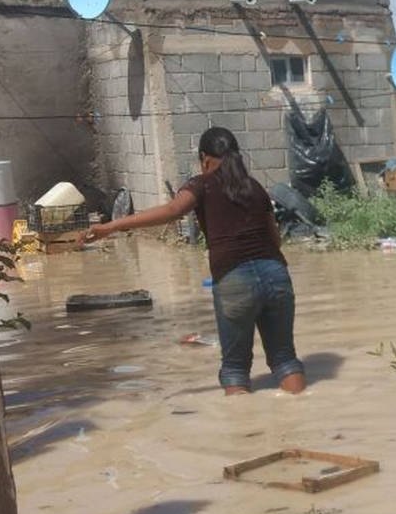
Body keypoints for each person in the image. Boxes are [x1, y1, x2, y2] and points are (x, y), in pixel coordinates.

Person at [83, 127, 306, 396]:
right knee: (284, 359)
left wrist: (112, 227)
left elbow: (171, 211)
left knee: (235, 368)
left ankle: (246, 432)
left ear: (205, 158)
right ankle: (299, 408)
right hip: (276, 275)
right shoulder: (255, 187)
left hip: (234, 280)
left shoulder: (202, 184)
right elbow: (275, 239)